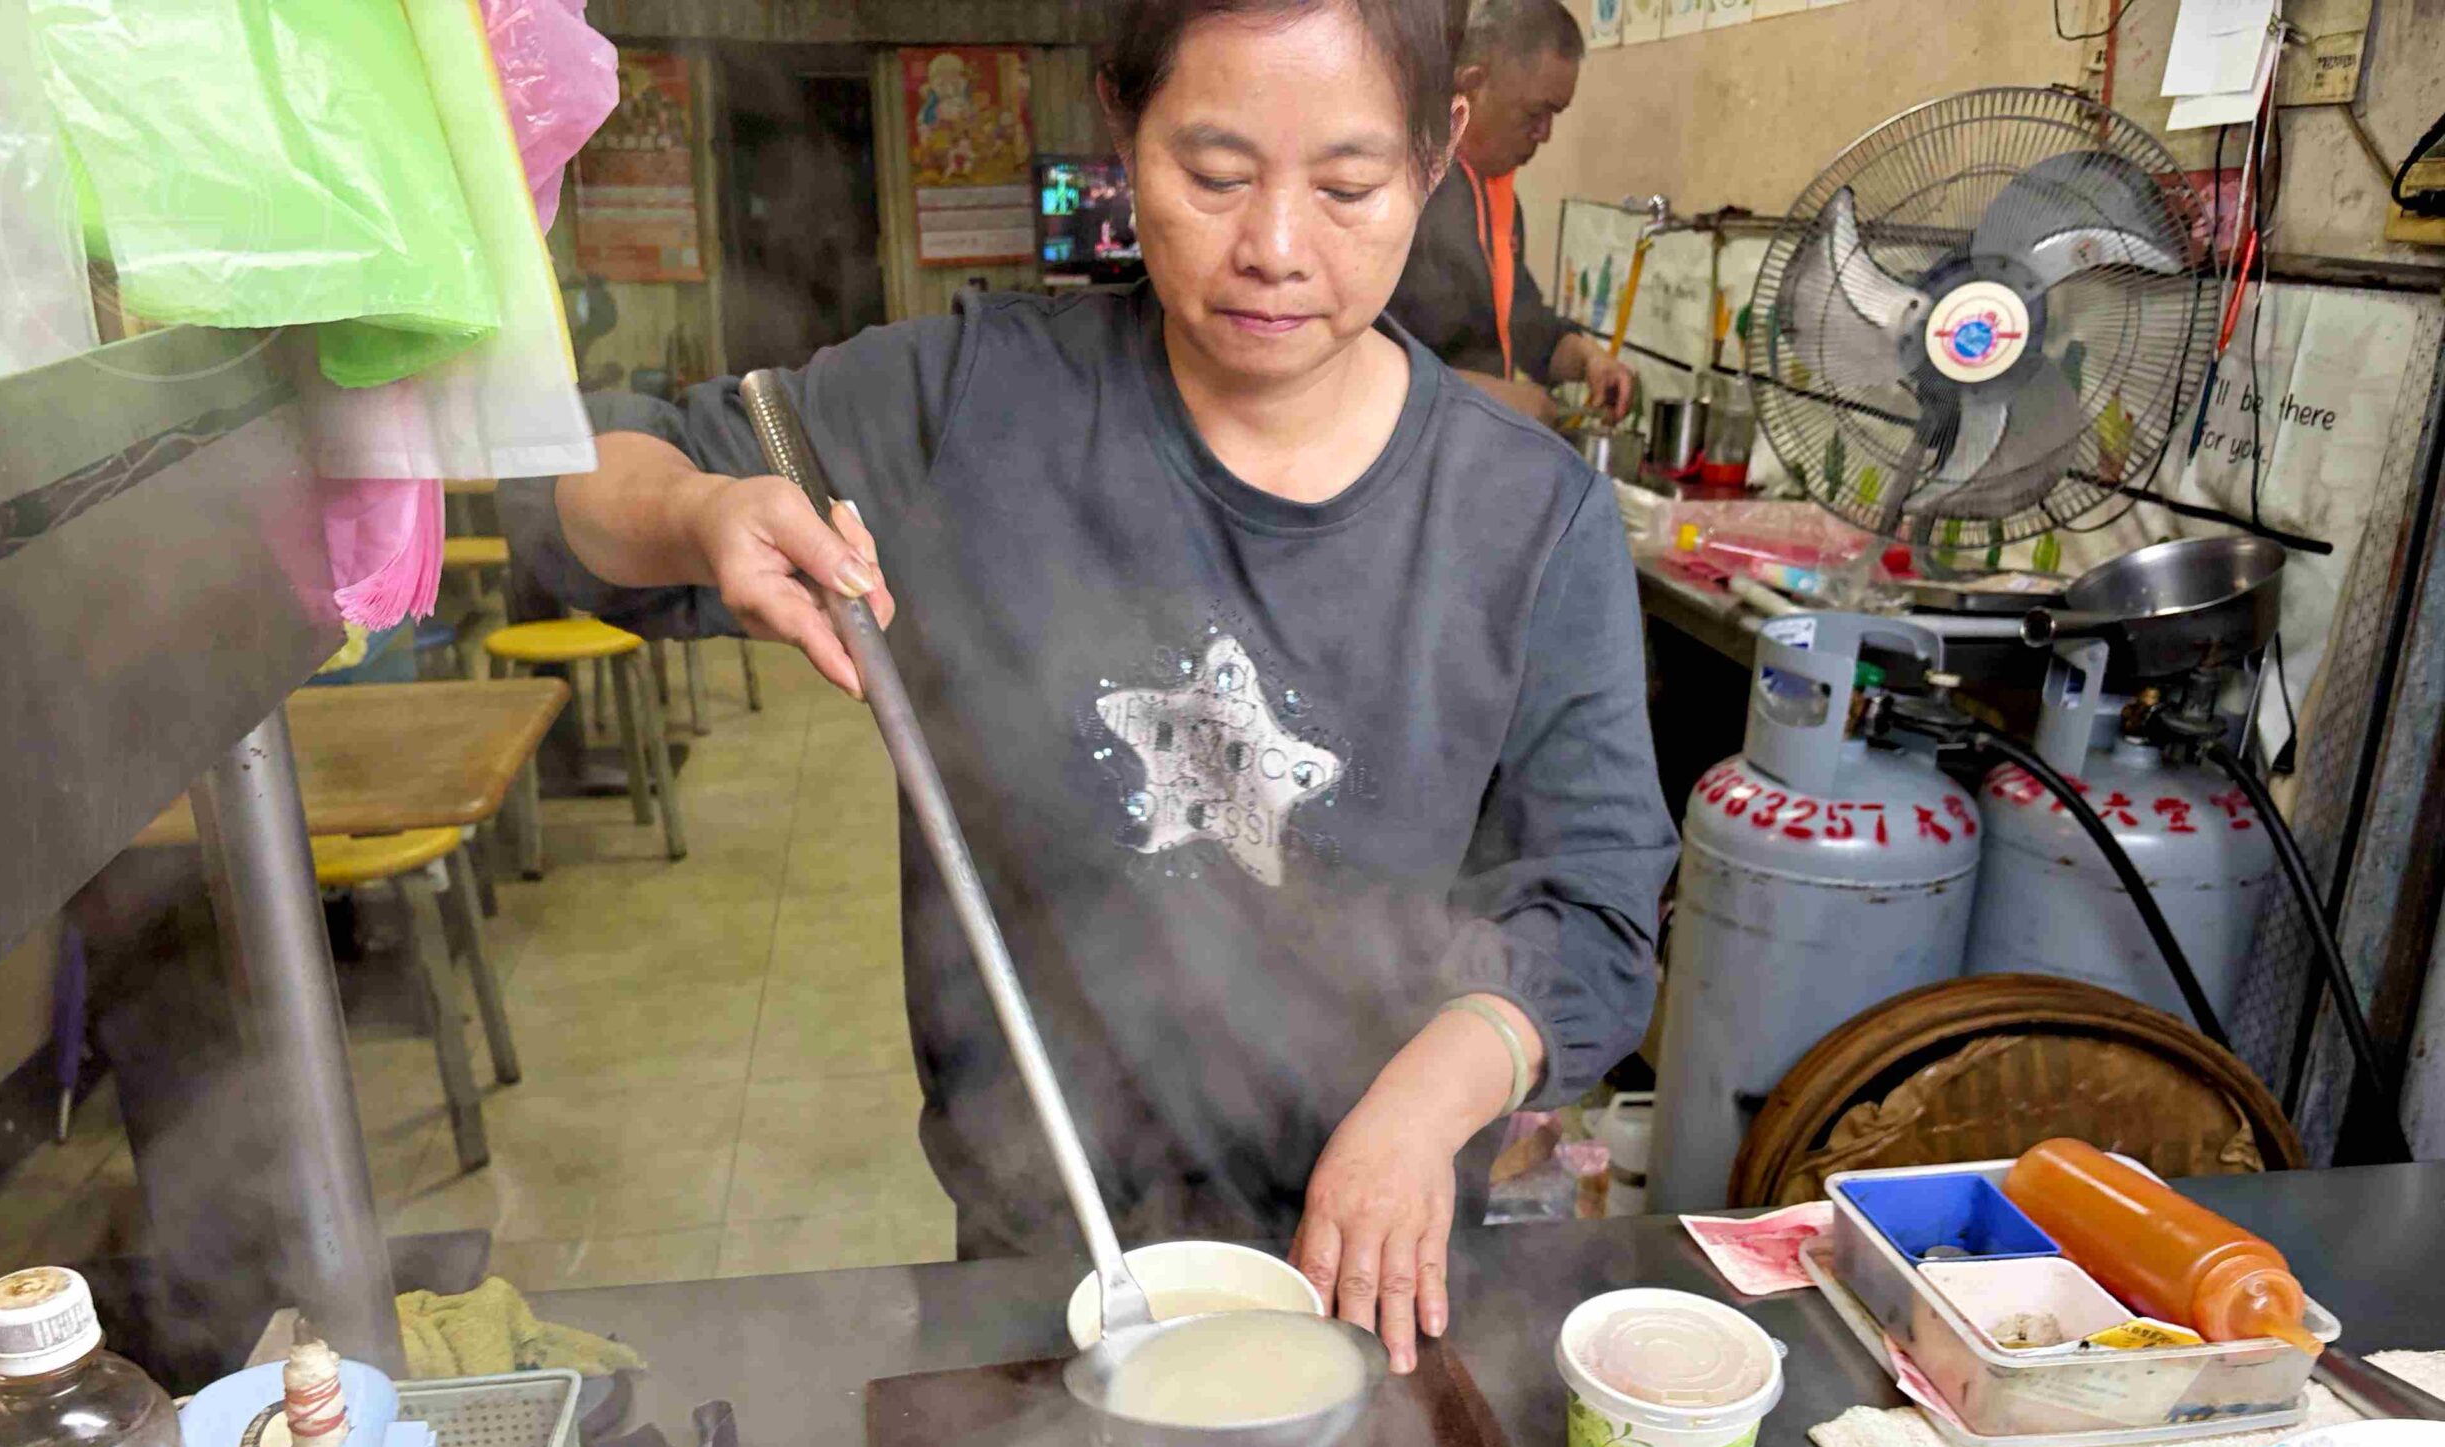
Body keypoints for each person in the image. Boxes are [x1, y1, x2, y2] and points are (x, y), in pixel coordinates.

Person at [503, 0, 1675, 1372]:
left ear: (1437, 157)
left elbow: (1596, 908)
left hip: (1381, 1262)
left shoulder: (1528, 515)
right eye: (1216, 175)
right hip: (1041, 1254)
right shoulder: (971, 410)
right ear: (1122, 131)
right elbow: (580, 473)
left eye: (1348, 186)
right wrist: (701, 509)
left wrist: (1429, 1101)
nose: (1276, 248)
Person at [1388, 0, 1635, 426]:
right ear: (1472, 84)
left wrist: (1586, 357)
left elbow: (1525, 325)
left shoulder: (1499, 202)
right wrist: (1482, 395)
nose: (1545, 134)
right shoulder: (1398, 186)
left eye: (1555, 116)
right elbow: (1343, 357)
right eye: (1535, 113)